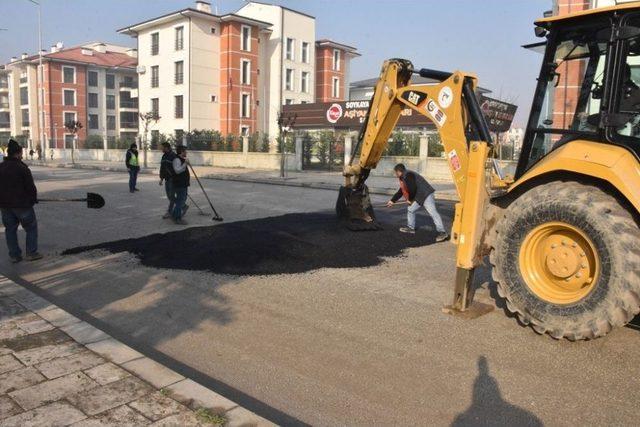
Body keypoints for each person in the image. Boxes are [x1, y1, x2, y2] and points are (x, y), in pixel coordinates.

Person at [0, 139, 42, 263]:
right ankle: (31, 253)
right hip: (22, 205)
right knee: (31, 227)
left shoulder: (1, 167)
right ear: (17, 154)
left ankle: (14, 255)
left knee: (10, 230)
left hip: (5, 206)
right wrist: (33, 199)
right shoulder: (22, 168)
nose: (22, 155)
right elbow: (30, 187)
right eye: (21, 153)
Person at [386, 163, 449, 242]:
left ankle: (442, 232)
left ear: (399, 172)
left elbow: (413, 189)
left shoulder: (408, 175)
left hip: (426, 194)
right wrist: (392, 200)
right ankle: (411, 228)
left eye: (395, 172)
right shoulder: (404, 177)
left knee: (433, 213)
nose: (395, 174)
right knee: (411, 209)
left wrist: (410, 199)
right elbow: (401, 191)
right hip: (419, 196)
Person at [171, 145, 190, 225]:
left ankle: (174, 215)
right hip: (180, 184)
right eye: (185, 151)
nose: (186, 152)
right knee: (180, 201)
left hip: (183, 183)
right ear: (181, 152)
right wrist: (185, 163)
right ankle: (177, 218)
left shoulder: (181, 159)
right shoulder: (177, 160)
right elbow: (177, 171)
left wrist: (185, 163)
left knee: (182, 200)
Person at [159, 142, 177, 219]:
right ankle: (182, 205)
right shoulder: (164, 156)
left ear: (167, 147)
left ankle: (169, 212)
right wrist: (161, 178)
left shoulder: (173, 156)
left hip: (172, 179)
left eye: (162, 147)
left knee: (171, 196)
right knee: (169, 196)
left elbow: (176, 168)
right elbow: (162, 168)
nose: (161, 149)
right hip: (166, 179)